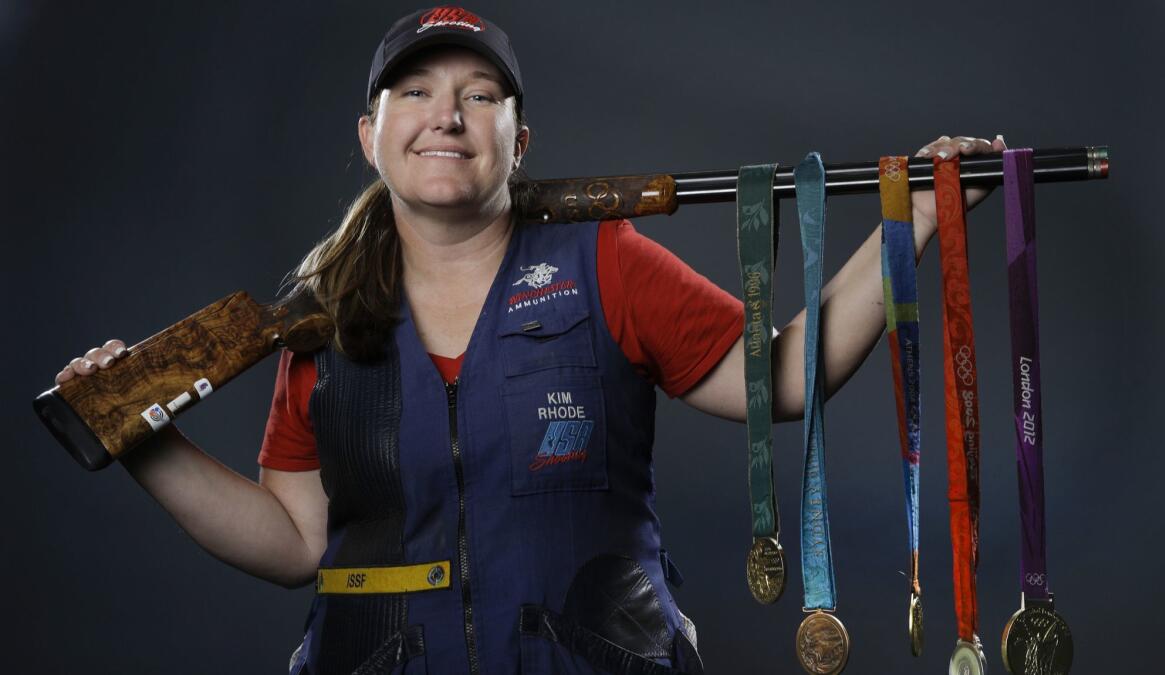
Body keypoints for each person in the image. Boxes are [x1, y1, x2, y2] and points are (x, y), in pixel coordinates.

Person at [54, 6, 1006, 674]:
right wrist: (142, 440)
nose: (447, 115)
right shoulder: (318, 317)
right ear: (369, 133)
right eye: (415, 91)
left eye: (479, 95)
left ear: (517, 139)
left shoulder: (610, 260)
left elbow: (789, 374)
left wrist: (912, 218)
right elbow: (296, 539)